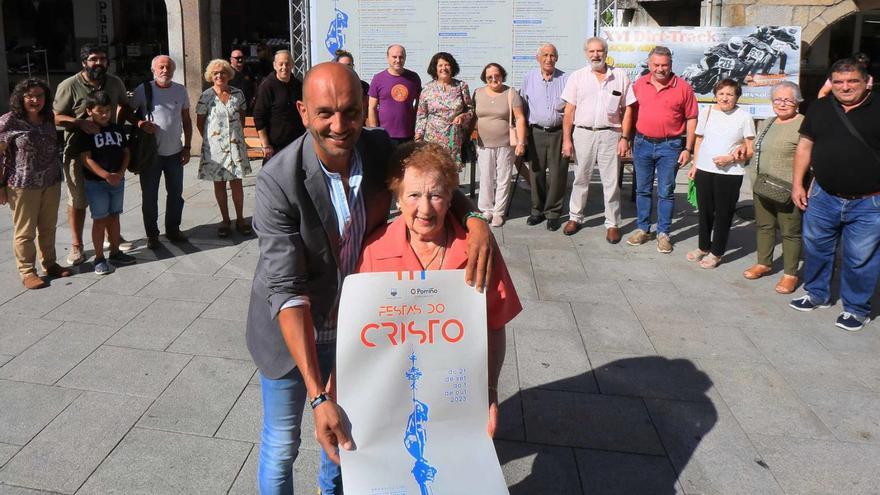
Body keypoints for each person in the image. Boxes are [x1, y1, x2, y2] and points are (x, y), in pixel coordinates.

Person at [245, 62, 494, 495]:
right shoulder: (277, 182)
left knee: (345, 444)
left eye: (350, 111)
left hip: (358, 332)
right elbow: (287, 291)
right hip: (293, 332)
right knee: (283, 445)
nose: (339, 125)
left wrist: (474, 219)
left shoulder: (379, 148)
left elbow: (434, 181)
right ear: (303, 112)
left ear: (364, 109)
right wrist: (319, 396)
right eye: (325, 113)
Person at [356, 141, 522, 436]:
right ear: (397, 199)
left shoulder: (478, 250)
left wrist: (491, 389)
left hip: (457, 394)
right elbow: (358, 335)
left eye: (435, 195)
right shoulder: (375, 252)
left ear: (450, 199)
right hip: (393, 398)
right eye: (414, 195)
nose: (424, 208)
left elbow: (495, 325)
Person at [789, 58, 880, 332]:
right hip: (823, 195)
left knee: (860, 257)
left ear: (868, 82)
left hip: (869, 201)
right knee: (816, 248)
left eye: (853, 81)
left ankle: (855, 309)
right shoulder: (819, 107)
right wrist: (797, 184)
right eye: (839, 82)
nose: (846, 87)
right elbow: (804, 147)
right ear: (831, 83)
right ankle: (816, 294)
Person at [53, 44, 137, 265]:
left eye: (102, 59)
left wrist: (135, 123)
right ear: (84, 62)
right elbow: (56, 117)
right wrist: (79, 122)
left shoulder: (114, 82)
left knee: (110, 198)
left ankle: (112, 238)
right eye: (93, 59)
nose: (98, 63)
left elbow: (124, 107)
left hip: (109, 152)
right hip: (78, 152)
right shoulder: (69, 85)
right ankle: (77, 245)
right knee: (78, 200)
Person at [561, 37, 635, 241]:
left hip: (611, 133)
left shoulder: (619, 76)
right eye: (592, 51)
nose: (596, 55)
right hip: (583, 132)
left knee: (611, 181)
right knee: (580, 178)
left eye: (600, 51)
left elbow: (628, 109)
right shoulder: (577, 77)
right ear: (586, 54)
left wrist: (625, 138)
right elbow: (569, 111)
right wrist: (567, 140)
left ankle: (612, 223)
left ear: (606, 52)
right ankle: (575, 217)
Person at [0, 78, 72, 289]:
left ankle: (49, 263)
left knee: (48, 227)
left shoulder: (48, 117)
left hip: (51, 181)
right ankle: (27, 271)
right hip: (22, 184)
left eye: (39, 95)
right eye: (30, 96)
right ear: (20, 98)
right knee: (25, 231)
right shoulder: (9, 120)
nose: (35, 100)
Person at [627, 45, 698, 253]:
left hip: (671, 146)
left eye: (664, 65)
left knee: (666, 191)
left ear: (671, 65)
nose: (660, 69)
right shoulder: (639, 84)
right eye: (656, 65)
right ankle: (643, 229)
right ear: (649, 64)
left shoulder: (684, 88)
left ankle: (664, 233)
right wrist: (626, 138)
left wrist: (689, 148)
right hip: (642, 143)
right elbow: (629, 113)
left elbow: (692, 118)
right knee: (642, 189)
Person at [685, 79, 755, 268]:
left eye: (730, 94)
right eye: (721, 93)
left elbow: (750, 149)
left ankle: (717, 252)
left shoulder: (744, 116)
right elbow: (699, 140)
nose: (725, 98)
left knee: (723, 213)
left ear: (737, 96)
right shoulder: (706, 112)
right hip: (705, 170)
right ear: (715, 95)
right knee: (705, 212)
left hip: (730, 173)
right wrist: (695, 165)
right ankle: (703, 247)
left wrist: (731, 159)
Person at [742, 81, 804, 293]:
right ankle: (764, 262)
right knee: (764, 226)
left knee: (790, 232)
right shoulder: (768, 122)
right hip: (762, 186)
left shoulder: (804, 124)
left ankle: (790, 274)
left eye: (788, 99)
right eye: (778, 99)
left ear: (797, 101)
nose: (782, 103)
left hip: (788, 189)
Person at [130, 55, 192, 250]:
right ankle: (152, 234)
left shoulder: (180, 90)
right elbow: (124, 113)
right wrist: (140, 123)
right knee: (149, 196)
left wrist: (188, 146)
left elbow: (186, 119)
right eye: (161, 67)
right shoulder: (143, 90)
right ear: (153, 70)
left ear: (173, 70)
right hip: (151, 155)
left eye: (168, 67)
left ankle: (173, 229)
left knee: (175, 193)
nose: (165, 70)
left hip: (174, 153)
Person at [74, 91, 138, 275]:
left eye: (108, 111)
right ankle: (99, 258)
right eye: (100, 111)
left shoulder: (117, 129)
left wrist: (119, 173)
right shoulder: (86, 132)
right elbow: (86, 159)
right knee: (100, 219)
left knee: (114, 216)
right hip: (96, 183)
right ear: (89, 111)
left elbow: (126, 152)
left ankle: (115, 252)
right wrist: (105, 175)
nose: (104, 115)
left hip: (117, 181)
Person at [196, 58, 253, 238]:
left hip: (235, 146)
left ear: (228, 75)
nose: (219, 75)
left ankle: (240, 219)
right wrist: (213, 140)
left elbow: (242, 118)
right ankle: (225, 220)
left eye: (222, 72)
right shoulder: (206, 96)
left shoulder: (238, 94)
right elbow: (200, 122)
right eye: (215, 73)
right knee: (219, 184)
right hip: (215, 149)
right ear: (211, 76)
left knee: (237, 183)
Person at [520, 44, 569, 231]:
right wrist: (522, 136)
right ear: (538, 58)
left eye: (552, 55)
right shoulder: (529, 78)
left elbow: (571, 107)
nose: (549, 59)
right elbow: (523, 107)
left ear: (557, 58)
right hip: (536, 132)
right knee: (536, 172)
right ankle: (536, 210)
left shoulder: (565, 78)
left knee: (558, 175)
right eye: (545, 55)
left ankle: (553, 213)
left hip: (558, 132)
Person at [472, 63, 527, 228]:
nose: (494, 79)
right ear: (485, 78)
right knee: (486, 177)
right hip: (483, 143)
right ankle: (486, 209)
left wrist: (521, 142)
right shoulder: (478, 93)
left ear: (502, 75)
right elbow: (473, 116)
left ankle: (498, 212)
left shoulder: (511, 93)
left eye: (497, 76)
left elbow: (520, 118)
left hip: (505, 143)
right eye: (489, 77)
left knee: (503, 178)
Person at [414, 52, 473, 168]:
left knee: (451, 173)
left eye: (447, 65)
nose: (443, 68)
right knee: (433, 170)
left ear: (452, 67)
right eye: (440, 65)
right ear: (435, 68)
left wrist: (462, 117)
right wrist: (418, 136)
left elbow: (470, 110)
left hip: (453, 138)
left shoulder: (461, 86)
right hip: (432, 139)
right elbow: (421, 115)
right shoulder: (427, 88)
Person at [253, 50, 306, 160]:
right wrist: (266, 145)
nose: (284, 67)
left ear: (292, 65)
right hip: (275, 147)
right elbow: (259, 116)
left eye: (287, 64)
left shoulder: (298, 85)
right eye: (280, 64)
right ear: (274, 65)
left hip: (297, 143)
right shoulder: (267, 86)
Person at [367, 44, 421, 145]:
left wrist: (418, 129)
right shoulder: (378, 79)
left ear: (405, 58)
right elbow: (372, 107)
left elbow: (419, 106)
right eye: (394, 57)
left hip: (408, 134)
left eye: (401, 57)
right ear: (387, 58)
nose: (398, 60)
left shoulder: (414, 78)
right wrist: (374, 131)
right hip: (385, 135)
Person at [229, 47, 256, 114]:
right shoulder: (227, 72)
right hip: (233, 106)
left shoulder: (248, 70)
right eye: (237, 58)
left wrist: (254, 97)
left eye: (241, 57)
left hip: (248, 104)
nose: (240, 60)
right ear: (231, 59)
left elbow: (254, 84)